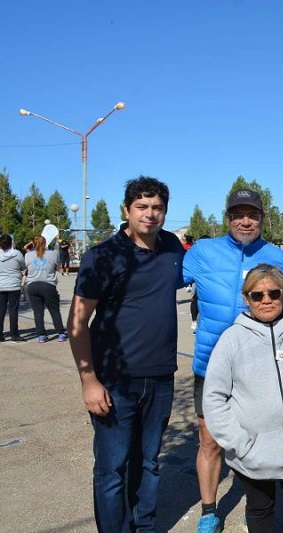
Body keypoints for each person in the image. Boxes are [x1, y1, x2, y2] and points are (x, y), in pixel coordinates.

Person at [67, 176, 185, 532]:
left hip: (161, 377)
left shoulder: (172, 249)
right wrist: (89, 380)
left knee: (148, 462)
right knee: (112, 468)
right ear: (127, 210)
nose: (150, 215)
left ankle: (143, 526)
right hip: (114, 379)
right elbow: (77, 322)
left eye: (157, 208)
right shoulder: (102, 256)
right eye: (142, 207)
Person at [183, 189, 283, 533]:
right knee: (210, 442)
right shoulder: (201, 252)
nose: (246, 221)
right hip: (210, 366)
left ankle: (257, 510)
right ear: (227, 218)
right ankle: (209, 511)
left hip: (256, 369)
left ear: (262, 218)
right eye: (238, 214)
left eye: (253, 215)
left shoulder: (278, 258)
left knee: (256, 440)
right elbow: (157, 277)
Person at [203, 264, 283, 532]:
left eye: (273, 293)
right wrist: (241, 444)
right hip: (252, 453)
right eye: (257, 295)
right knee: (260, 512)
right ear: (246, 297)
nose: (266, 300)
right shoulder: (232, 340)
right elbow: (215, 399)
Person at [24, 235, 68, 343]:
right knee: (54, 310)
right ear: (45, 243)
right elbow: (57, 268)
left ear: (33, 243)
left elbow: (26, 267)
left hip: (32, 285)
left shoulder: (28, 255)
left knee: (38, 312)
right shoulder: (53, 254)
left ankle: (41, 336)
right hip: (48, 285)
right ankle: (61, 333)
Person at [0, 234, 26, 342]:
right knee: (13, 310)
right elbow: (23, 266)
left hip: (0, 285)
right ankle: (14, 334)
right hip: (14, 285)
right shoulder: (17, 254)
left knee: (1, 310)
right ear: (11, 243)